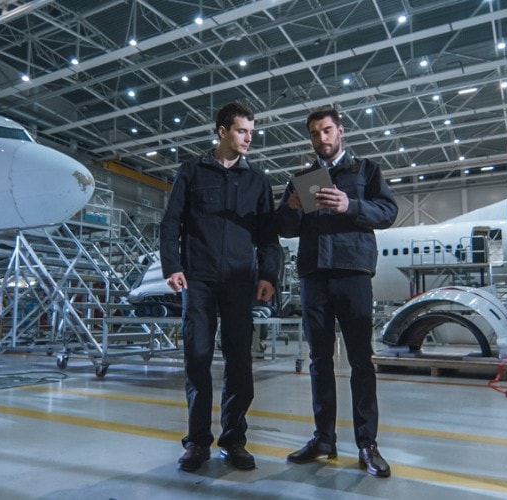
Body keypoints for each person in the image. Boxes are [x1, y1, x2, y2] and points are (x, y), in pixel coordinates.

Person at [276, 106, 398, 478]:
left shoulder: (366, 171)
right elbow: (283, 227)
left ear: (340, 131)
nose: (321, 139)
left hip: (352, 273)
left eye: (327, 130)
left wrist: (352, 205)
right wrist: (292, 208)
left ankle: (367, 444)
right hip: (314, 276)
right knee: (319, 361)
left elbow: (389, 211)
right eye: (314, 133)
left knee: (362, 360)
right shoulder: (301, 178)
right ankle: (324, 439)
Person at [159, 102, 281, 472]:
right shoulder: (192, 172)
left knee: (240, 362)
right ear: (222, 130)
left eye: (251, 132)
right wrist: (172, 266)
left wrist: (268, 275)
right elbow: (171, 223)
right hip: (198, 280)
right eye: (242, 131)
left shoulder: (258, 182)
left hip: (240, 283)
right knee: (197, 359)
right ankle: (197, 443)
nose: (248, 138)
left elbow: (268, 238)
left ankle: (234, 440)